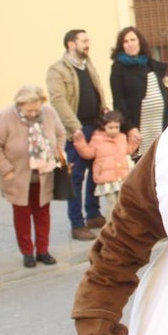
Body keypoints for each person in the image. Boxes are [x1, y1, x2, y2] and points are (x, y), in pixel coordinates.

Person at [0, 85, 67, 269]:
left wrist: (56, 153)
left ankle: (43, 250)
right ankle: (27, 252)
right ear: (20, 105)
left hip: (44, 174)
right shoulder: (5, 117)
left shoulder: (49, 113)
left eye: (36, 109)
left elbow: (61, 133)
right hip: (17, 176)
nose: (33, 113)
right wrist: (6, 169)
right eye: (29, 110)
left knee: (43, 214)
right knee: (22, 215)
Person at [47, 29, 108, 241]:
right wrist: (75, 127)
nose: (87, 44)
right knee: (76, 177)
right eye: (84, 40)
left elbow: (98, 90)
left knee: (96, 173)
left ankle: (93, 214)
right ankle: (77, 223)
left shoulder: (87, 64)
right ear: (71, 44)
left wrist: (104, 110)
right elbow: (58, 100)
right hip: (76, 131)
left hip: (95, 126)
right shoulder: (57, 70)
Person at [108, 26, 168, 160]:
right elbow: (119, 101)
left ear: (140, 42)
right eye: (125, 41)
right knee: (145, 163)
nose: (130, 44)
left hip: (162, 123)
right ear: (121, 46)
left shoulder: (148, 63)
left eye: (133, 40)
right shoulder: (118, 68)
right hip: (140, 129)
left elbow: (161, 88)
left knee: (166, 159)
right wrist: (130, 128)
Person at [71, 109, 141, 212]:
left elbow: (128, 150)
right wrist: (80, 141)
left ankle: (118, 222)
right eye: (110, 127)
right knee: (112, 204)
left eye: (116, 127)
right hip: (106, 179)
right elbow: (88, 153)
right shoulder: (97, 139)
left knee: (121, 203)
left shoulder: (121, 138)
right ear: (104, 126)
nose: (114, 130)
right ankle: (110, 222)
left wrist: (135, 139)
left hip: (121, 178)